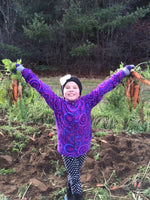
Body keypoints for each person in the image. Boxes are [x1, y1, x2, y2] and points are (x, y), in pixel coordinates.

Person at [14, 64, 134, 200]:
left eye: (75, 87)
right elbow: (41, 87)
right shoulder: (57, 104)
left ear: (80, 91)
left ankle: (68, 196)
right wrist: (23, 71)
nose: (71, 90)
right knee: (76, 179)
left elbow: (104, 87)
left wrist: (123, 72)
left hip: (83, 146)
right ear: (62, 91)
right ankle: (77, 197)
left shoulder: (87, 102)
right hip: (67, 149)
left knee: (73, 175)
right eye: (67, 88)